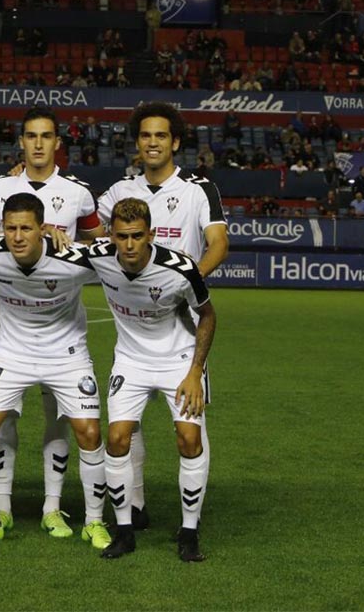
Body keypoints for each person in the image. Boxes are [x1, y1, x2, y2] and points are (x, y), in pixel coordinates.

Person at [96, 101, 228, 533]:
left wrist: (187, 283)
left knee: (187, 428)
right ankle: (133, 507)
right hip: (135, 331)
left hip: (182, 325)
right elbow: (95, 238)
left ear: (175, 142)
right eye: (145, 136)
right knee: (124, 429)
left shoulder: (198, 189)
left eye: (160, 136)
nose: (152, 143)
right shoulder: (119, 191)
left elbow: (217, 243)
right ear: (137, 143)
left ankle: (191, 519)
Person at [0, 193, 111, 551]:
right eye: (10, 228)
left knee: (88, 432)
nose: (18, 236)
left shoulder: (73, 260)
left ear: (43, 228)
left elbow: (117, 253)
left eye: (27, 228)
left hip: (66, 354)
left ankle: (94, 522)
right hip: (12, 353)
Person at [0, 108, 104, 537]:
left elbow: (96, 245)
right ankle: (1, 505)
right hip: (8, 324)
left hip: (63, 326)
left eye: (46, 136)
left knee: (59, 419)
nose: (37, 144)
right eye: (30, 136)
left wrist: (63, 240)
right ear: (21, 142)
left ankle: (53, 507)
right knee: (3, 420)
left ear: (57, 142)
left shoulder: (78, 193)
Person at [91, 197, 217, 562]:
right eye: (121, 237)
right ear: (111, 235)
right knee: (116, 439)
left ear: (152, 234)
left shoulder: (180, 269)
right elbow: (57, 249)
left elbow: (208, 316)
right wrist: (53, 233)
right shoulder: (99, 256)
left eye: (136, 236)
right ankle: (125, 531)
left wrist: (196, 372)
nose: (128, 245)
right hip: (130, 361)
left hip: (179, 360)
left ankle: (189, 532)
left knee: (189, 439)